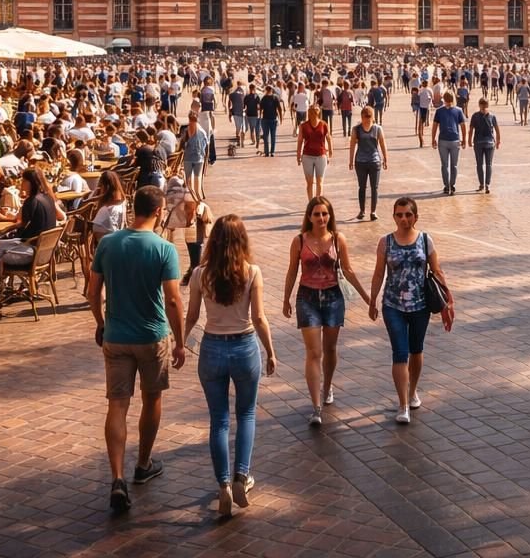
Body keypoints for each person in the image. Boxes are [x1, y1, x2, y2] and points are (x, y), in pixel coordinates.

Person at [89, 185, 185, 513]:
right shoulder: (164, 249)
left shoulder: (109, 244)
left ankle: (117, 477)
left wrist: (101, 322)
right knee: (151, 399)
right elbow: (172, 299)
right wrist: (181, 340)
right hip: (151, 335)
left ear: (134, 209)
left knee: (117, 405)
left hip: (116, 335)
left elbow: (92, 291)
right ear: (159, 211)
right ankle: (143, 463)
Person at [182, 214, 277, 519]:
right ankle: (241, 476)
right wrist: (270, 351)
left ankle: (222, 483)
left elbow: (193, 315)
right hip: (244, 345)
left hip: (212, 346)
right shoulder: (252, 272)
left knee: (219, 420)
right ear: (242, 241)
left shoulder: (200, 274)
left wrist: (181, 342)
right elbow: (260, 317)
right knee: (247, 413)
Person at [281, 197, 373, 427]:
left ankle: (328, 385)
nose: (321, 218)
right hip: (307, 298)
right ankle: (315, 406)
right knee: (314, 352)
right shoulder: (299, 241)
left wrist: (367, 298)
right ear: (309, 217)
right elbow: (292, 270)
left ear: (330, 216)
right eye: (316, 214)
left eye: (325, 214)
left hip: (333, 297)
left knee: (330, 349)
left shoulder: (337, 239)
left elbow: (348, 270)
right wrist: (286, 299)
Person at [368, 197, 453, 425]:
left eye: (408, 214)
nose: (404, 219)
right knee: (400, 352)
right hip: (393, 305)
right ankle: (403, 403)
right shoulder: (385, 242)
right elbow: (378, 274)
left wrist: (447, 303)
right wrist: (372, 299)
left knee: (416, 350)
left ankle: (412, 390)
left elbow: (437, 271)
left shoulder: (426, 241)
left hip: (420, 305)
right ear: (394, 216)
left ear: (416, 216)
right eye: (399, 214)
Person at [349, 106, 388, 221]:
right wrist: (351, 160)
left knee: (374, 187)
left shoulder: (378, 129)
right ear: (361, 117)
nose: (367, 120)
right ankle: (362, 210)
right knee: (362, 187)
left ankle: (373, 211)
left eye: (369, 118)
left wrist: (385, 158)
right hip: (360, 162)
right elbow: (352, 145)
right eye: (365, 118)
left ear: (372, 118)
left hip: (374, 162)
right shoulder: (356, 129)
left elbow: (382, 143)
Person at [430, 92, 466, 195]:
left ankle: (446, 186)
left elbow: (435, 126)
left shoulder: (439, 111)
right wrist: (464, 139)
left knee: (444, 165)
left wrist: (433, 139)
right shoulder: (458, 110)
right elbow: (463, 126)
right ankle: (452, 185)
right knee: (454, 165)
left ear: (443, 99)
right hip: (455, 140)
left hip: (443, 140)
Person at [295, 104, 332, 201]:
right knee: (310, 182)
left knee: (319, 181)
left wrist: (330, 151)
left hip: (321, 155)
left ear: (318, 112)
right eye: (311, 111)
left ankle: (318, 201)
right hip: (307, 156)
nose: (313, 113)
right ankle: (311, 202)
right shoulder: (303, 126)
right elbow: (300, 141)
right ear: (309, 113)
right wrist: (298, 155)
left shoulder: (324, 124)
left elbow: (328, 138)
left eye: (315, 111)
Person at [469, 97, 500, 193]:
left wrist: (469, 140)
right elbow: (497, 130)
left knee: (480, 164)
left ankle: (483, 184)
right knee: (488, 164)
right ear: (487, 105)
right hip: (489, 143)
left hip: (480, 143)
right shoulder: (492, 116)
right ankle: (486, 184)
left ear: (479, 105)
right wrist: (498, 141)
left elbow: (471, 130)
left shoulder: (475, 116)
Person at [183, 114, 209, 202]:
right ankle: (198, 195)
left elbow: (183, 144)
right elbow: (206, 144)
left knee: (188, 178)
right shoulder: (202, 131)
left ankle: (192, 195)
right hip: (200, 157)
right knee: (197, 176)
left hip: (189, 157)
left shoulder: (188, 129)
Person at [258, 85, 283, 158]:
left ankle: (266, 152)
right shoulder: (275, 98)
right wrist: (281, 118)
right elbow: (279, 109)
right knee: (273, 136)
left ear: (266, 90)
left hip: (265, 119)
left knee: (266, 137)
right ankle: (272, 152)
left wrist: (260, 118)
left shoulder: (264, 98)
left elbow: (260, 109)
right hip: (273, 119)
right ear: (271, 90)